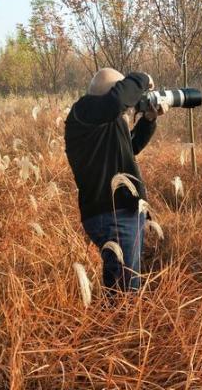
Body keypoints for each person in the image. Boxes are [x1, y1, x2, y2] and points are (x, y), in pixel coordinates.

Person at [65, 68, 168, 293]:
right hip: (112, 214)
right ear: (111, 93)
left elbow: (129, 149)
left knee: (123, 283)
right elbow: (117, 101)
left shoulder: (105, 121)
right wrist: (144, 78)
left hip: (124, 211)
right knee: (126, 293)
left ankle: (116, 321)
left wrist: (148, 121)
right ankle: (119, 326)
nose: (129, 105)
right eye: (126, 96)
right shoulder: (83, 111)